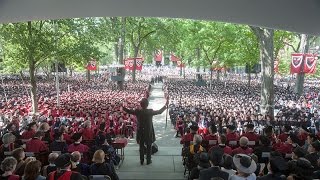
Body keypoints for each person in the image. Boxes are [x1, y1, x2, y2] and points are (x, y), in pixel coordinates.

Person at [123, 97, 169, 165]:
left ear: (141, 104)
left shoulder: (137, 111)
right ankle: (148, 160)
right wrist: (165, 105)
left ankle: (141, 161)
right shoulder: (150, 111)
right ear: (147, 104)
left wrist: (123, 107)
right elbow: (159, 112)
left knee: (141, 146)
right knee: (149, 146)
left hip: (140, 131)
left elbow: (129, 111)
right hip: (148, 132)